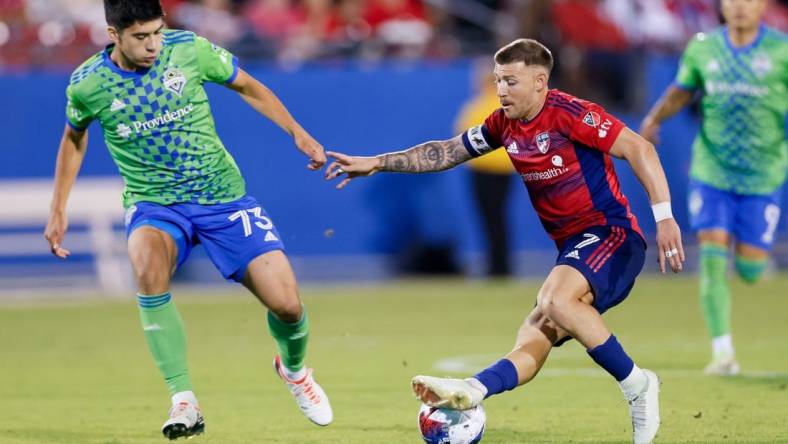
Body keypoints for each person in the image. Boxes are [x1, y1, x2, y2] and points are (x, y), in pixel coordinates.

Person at [325, 38, 685, 444]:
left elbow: (639, 149)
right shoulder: (503, 124)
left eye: (510, 81)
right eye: (497, 80)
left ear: (539, 81)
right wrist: (379, 162)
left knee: (554, 300)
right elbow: (447, 151)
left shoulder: (571, 113)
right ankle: (473, 390)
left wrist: (665, 217)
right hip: (573, 249)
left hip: (611, 235)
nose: (500, 90)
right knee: (535, 335)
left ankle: (639, 385)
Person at [44, 0, 333, 440]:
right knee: (146, 266)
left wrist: (297, 131)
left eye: (158, 32)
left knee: (288, 307)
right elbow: (74, 136)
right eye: (141, 37)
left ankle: (293, 370)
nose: (153, 45)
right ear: (113, 34)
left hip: (223, 199)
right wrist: (58, 207)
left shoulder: (189, 49)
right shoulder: (88, 84)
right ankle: (183, 399)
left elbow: (249, 86)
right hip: (155, 204)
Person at [640, 0, 786, 376]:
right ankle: (723, 353)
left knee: (751, 269)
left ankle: (754, 259)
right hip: (713, 170)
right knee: (712, 253)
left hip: (763, 175)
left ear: (763, 5)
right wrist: (654, 118)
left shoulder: (781, 50)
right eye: (732, 0)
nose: (739, 7)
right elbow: (681, 90)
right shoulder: (703, 47)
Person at [456, 62, 516, 277]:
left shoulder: (477, 107)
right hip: (505, 171)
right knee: (498, 218)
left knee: (490, 219)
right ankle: (500, 264)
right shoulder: (508, 106)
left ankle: (497, 266)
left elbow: (460, 140)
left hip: (483, 171)